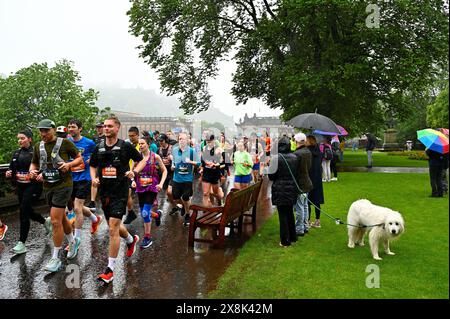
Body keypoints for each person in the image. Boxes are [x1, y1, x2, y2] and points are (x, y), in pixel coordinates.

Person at [89, 116, 143, 283]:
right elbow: (92, 165)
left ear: (117, 128)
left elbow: (141, 160)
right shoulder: (99, 147)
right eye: (104, 126)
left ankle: (110, 270)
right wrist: (94, 178)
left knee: (113, 228)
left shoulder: (125, 146)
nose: (106, 129)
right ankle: (130, 240)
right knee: (116, 226)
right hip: (104, 192)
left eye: (110, 126)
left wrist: (134, 171)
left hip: (120, 192)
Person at [29, 119, 83, 272]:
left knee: (54, 220)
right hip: (48, 186)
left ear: (53, 129)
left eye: (46, 130)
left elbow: (79, 158)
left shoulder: (65, 143)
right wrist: (32, 171)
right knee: (61, 218)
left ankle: (55, 257)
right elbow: (34, 163)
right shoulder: (38, 146)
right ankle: (73, 241)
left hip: (64, 186)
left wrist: (69, 165)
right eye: (41, 131)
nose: (43, 134)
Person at [5, 129, 51, 254]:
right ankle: (44, 221)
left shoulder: (35, 153)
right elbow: (11, 169)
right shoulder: (16, 153)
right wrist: (9, 173)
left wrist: (40, 174)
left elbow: (45, 167)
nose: (20, 141)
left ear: (29, 139)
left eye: (22, 138)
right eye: (18, 138)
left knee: (23, 212)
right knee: (26, 210)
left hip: (33, 186)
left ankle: (22, 243)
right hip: (20, 186)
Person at [67, 119, 103, 258]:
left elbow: (98, 156)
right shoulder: (67, 143)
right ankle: (95, 219)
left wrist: (91, 161)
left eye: (73, 127)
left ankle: (76, 240)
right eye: (69, 127)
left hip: (85, 178)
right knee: (78, 207)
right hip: (71, 178)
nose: (71, 129)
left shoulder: (89, 143)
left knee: (77, 208)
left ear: (80, 129)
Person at [132, 134, 167, 248]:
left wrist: (161, 184)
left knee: (145, 213)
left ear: (148, 145)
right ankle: (157, 215)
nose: (140, 145)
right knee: (143, 212)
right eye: (139, 144)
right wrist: (132, 180)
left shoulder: (155, 157)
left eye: (143, 143)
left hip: (152, 187)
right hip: (140, 187)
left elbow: (164, 171)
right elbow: (132, 171)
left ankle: (147, 237)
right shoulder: (137, 158)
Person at [268, 137, 300, 247]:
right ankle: (293, 236)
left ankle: (285, 240)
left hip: (280, 189)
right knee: (290, 212)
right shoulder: (295, 157)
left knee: (283, 215)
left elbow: (271, 176)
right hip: (291, 188)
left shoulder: (275, 158)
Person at [171, 132, 201, 226]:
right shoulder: (175, 150)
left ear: (187, 140)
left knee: (185, 197)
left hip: (187, 178)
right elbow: (174, 162)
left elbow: (198, 163)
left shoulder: (191, 151)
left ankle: (188, 214)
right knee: (175, 198)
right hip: (176, 178)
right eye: (180, 139)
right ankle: (184, 205)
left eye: (183, 139)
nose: (181, 140)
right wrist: (172, 166)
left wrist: (190, 161)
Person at [293, 133, 313, 236]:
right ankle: (305, 226)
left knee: (300, 207)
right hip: (306, 181)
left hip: (300, 183)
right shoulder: (308, 151)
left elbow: (296, 170)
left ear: (297, 142)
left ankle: (299, 229)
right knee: (304, 206)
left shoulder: (297, 154)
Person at [201, 135, 224, 206]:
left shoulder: (219, 149)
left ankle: (219, 200)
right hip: (206, 173)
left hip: (215, 173)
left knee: (215, 193)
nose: (208, 144)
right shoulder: (204, 148)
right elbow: (203, 159)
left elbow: (224, 162)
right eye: (207, 142)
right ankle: (207, 209)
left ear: (213, 140)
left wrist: (215, 164)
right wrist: (202, 166)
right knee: (205, 193)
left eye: (210, 142)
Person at [306, 135, 324, 228]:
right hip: (317, 178)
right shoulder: (319, 152)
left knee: (308, 201)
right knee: (316, 200)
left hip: (309, 177)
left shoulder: (307, 152)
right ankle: (317, 221)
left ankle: (308, 221)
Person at [123, 126, 140, 224]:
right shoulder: (128, 145)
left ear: (137, 135)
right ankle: (130, 213)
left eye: (133, 136)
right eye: (129, 136)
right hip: (130, 173)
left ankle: (155, 214)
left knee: (143, 200)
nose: (131, 138)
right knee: (126, 194)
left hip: (141, 174)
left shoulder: (142, 145)